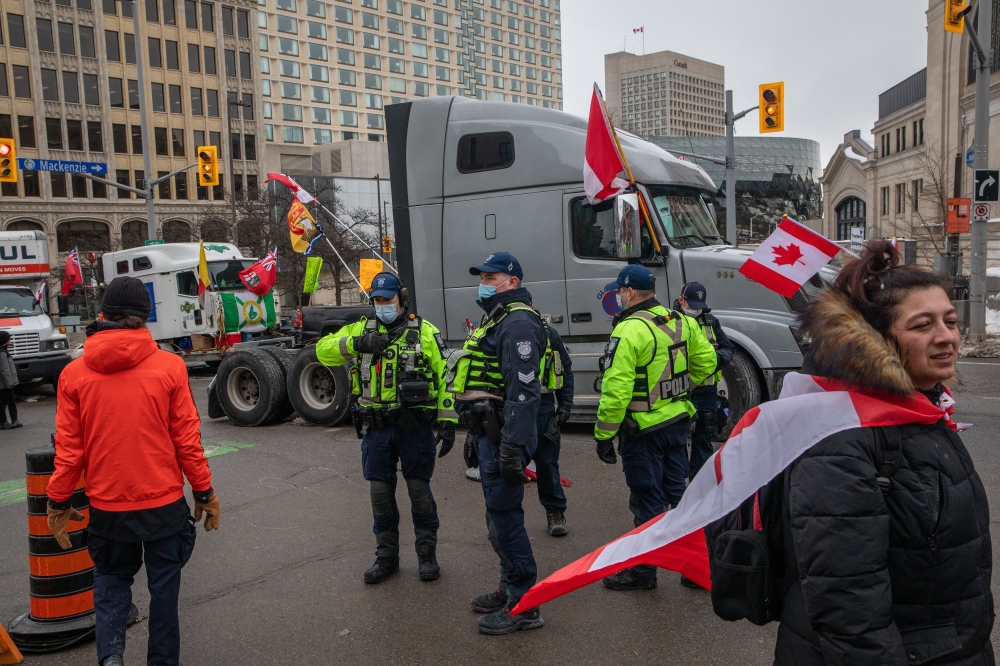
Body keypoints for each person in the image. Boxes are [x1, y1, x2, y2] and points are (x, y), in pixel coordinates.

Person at [774, 240, 993, 665]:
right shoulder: (843, 439)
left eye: (950, 321)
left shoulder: (918, 411)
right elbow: (848, 610)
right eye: (922, 325)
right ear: (876, 340)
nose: (946, 336)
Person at [45, 276, 219, 666]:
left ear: (102, 314)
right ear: (146, 318)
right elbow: (187, 442)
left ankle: (111, 659)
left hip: (107, 508)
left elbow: (69, 453)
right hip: (164, 506)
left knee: (110, 585)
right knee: (164, 594)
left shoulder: (73, 375)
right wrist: (205, 493)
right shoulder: (170, 367)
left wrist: (56, 501)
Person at [316, 272, 457, 584]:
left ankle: (427, 555)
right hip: (376, 428)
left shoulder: (425, 331)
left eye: (387, 300)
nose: (382, 306)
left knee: (419, 492)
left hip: (414, 427)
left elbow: (448, 376)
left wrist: (448, 421)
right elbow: (321, 350)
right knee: (380, 494)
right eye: (377, 300)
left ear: (401, 299)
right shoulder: (361, 330)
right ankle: (386, 557)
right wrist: (356, 343)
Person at [594, 265, 716, 591]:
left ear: (629, 293)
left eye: (620, 292)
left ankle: (644, 572)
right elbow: (707, 363)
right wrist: (677, 391)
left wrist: (604, 435)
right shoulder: (682, 321)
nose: (619, 297)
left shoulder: (629, 330)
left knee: (647, 501)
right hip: (677, 422)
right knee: (678, 497)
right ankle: (694, 568)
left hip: (642, 431)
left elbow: (616, 390)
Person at [446, 252, 548, 635]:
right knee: (497, 518)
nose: (484, 282)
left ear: (512, 281)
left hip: (506, 434)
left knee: (507, 520)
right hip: (492, 433)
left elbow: (524, 392)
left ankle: (525, 604)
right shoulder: (500, 318)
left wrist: (511, 446)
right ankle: (509, 588)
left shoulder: (518, 322)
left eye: (492, 277)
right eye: (482, 276)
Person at [675, 282, 734, 479]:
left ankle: (699, 486)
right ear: (681, 300)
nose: (695, 309)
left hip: (706, 392)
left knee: (704, 440)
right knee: (677, 442)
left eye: (698, 304)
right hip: (679, 392)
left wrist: (717, 359)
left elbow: (728, 349)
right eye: (691, 304)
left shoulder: (710, 321)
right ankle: (677, 492)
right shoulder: (670, 322)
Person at [534, 323, 573, 536]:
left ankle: (555, 512)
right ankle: (504, 521)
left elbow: (565, 368)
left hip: (543, 407)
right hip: (508, 408)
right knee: (505, 467)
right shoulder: (497, 328)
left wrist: (564, 406)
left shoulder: (547, 333)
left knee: (547, 464)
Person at [0, 330, 20, 429]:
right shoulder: (2, 353)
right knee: (2, 403)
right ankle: (3, 422)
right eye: (8, 338)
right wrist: (9, 384)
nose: (10, 340)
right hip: (4, 384)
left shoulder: (4, 351)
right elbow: (4, 370)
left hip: (8, 383)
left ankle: (15, 420)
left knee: (12, 401)